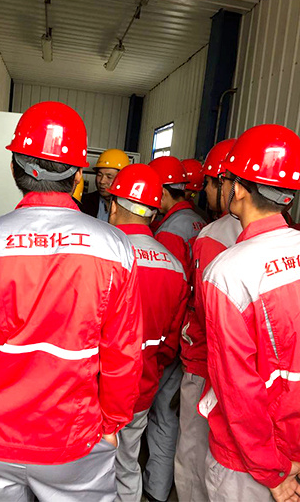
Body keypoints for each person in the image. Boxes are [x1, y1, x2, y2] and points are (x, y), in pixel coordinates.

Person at [0, 101, 143, 502]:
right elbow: (123, 354)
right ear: (77, 177)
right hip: (77, 439)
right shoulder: (115, 248)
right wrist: (112, 422)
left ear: (14, 169)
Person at [199, 124, 300, 502]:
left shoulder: (227, 273)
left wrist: (270, 472)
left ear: (240, 189)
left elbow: (238, 390)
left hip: (248, 464)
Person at [107, 164, 189, 502]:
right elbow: (171, 344)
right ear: (154, 212)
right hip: (142, 387)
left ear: (114, 206)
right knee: (127, 464)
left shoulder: (102, 255)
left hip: (97, 391)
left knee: (85, 473)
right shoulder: (174, 266)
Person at [175, 139, 242, 502]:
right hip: (255, 373)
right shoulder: (293, 238)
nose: (204, 192)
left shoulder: (211, 237)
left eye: (210, 184)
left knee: (193, 452)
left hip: (205, 364)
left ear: (228, 184)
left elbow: (202, 308)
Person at [143, 156, 206, 502]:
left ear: (164, 191)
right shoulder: (198, 220)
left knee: (161, 417)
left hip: (173, 338)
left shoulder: (169, 231)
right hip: (189, 337)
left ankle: (154, 488)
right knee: (171, 416)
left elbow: (166, 292)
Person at [81, 148, 130, 220]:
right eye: (99, 175)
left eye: (109, 177)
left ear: (122, 179)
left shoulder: (129, 209)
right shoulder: (84, 202)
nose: (102, 181)